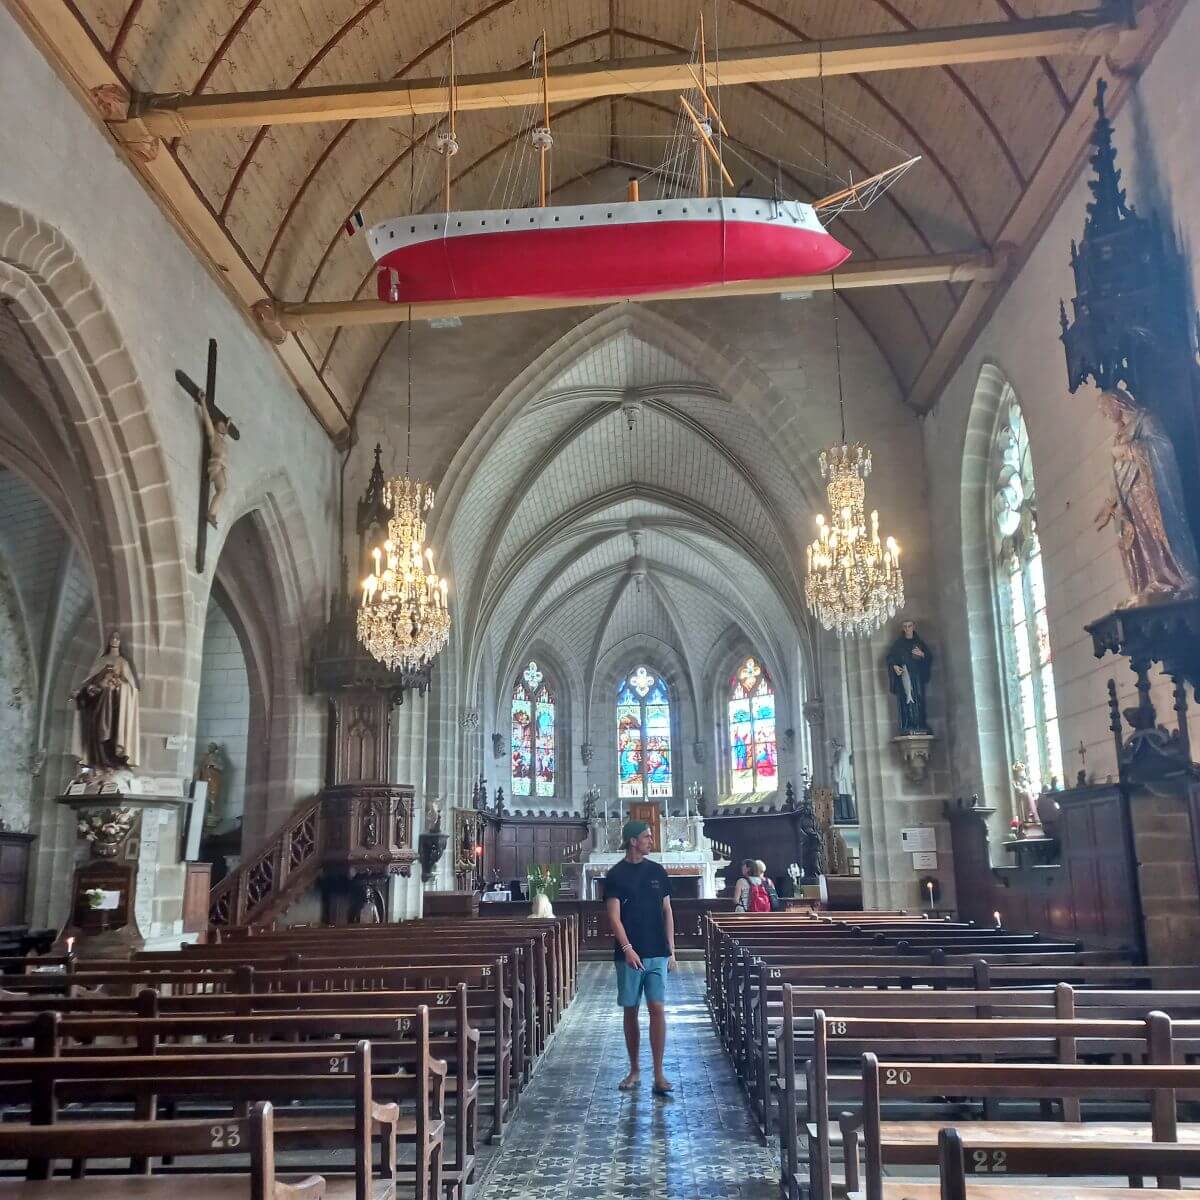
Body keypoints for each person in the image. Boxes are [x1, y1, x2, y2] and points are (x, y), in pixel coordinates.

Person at [605, 820, 676, 1096]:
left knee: (657, 1009)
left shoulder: (658, 871)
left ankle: (659, 1073)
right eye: (647, 836)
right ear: (633, 841)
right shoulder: (616, 875)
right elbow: (614, 916)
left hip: (657, 951)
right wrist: (627, 948)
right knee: (631, 1010)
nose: (651, 840)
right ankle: (635, 1069)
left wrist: (672, 948)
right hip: (629, 956)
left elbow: (667, 910)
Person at [885, 620, 933, 734]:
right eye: (905, 627)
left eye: (909, 626)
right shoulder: (898, 644)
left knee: (919, 700)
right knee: (905, 702)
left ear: (913, 627)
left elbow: (929, 657)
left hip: (917, 678)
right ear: (903, 629)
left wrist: (922, 655)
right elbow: (890, 658)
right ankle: (908, 725)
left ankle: (920, 724)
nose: (907, 628)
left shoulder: (919, 643)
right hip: (904, 678)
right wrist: (894, 666)